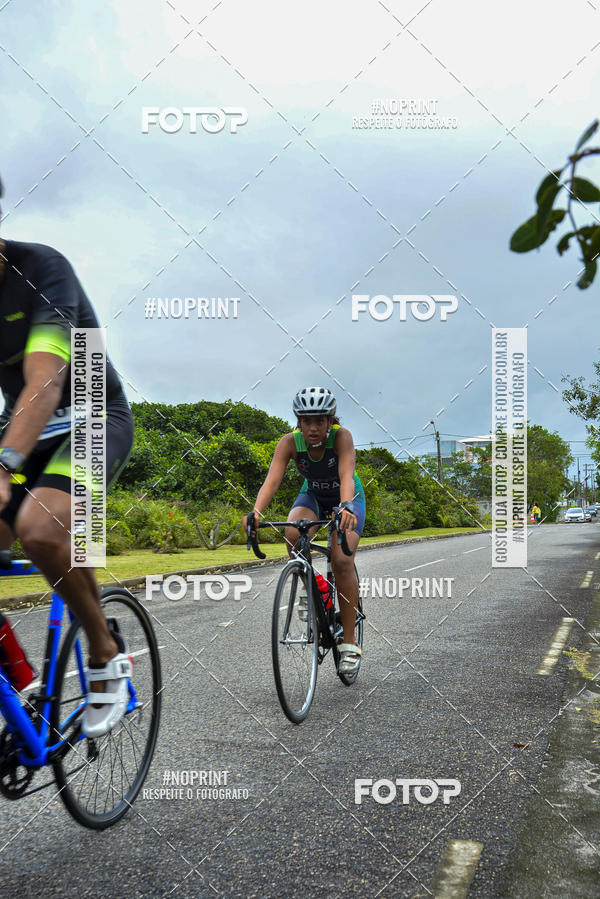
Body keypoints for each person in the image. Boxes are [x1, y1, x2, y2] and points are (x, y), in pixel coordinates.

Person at [0, 175, 134, 737]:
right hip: (23, 429)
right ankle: (21, 681)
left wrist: (4, 465)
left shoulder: (43, 267)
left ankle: (105, 652)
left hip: (93, 416)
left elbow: (46, 382)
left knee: (41, 530)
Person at [243, 387, 366, 674]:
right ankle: (314, 589)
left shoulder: (342, 437)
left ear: (329, 421)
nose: (313, 428)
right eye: (306, 420)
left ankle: (349, 643)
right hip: (312, 495)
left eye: (319, 421)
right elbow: (272, 480)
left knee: (341, 560)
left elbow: (346, 475)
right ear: (298, 420)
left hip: (348, 498)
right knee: (293, 534)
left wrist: (345, 506)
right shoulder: (289, 443)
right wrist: (256, 513)